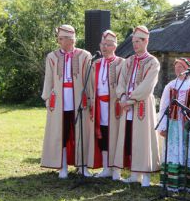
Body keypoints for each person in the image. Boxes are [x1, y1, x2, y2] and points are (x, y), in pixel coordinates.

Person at [41, 24, 92, 179]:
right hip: (59, 102)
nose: (58, 41)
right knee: (61, 133)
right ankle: (62, 166)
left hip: (78, 100)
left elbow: (88, 80)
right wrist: (47, 98)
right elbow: (48, 79)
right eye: (59, 38)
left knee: (81, 132)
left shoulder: (85, 55)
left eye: (61, 38)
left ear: (70, 39)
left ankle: (82, 167)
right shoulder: (52, 56)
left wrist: (90, 99)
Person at [114, 26, 160, 187]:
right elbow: (121, 82)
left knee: (144, 139)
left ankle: (146, 176)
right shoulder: (129, 61)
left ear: (146, 41)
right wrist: (122, 96)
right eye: (133, 42)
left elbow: (148, 85)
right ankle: (135, 174)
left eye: (138, 42)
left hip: (143, 105)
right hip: (127, 104)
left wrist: (130, 100)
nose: (135, 45)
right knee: (130, 138)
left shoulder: (153, 62)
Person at [158, 58, 190, 193]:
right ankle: (174, 183)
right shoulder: (171, 85)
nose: (178, 69)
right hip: (174, 125)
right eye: (176, 66)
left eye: (181, 66)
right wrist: (163, 126)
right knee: (175, 151)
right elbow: (164, 106)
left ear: (189, 69)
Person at [87, 30, 124, 180]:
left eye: (108, 44)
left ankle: (116, 171)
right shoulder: (95, 63)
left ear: (114, 46)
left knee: (114, 135)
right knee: (101, 134)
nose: (104, 47)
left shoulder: (122, 63)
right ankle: (106, 168)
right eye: (102, 44)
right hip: (99, 105)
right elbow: (90, 85)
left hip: (115, 106)